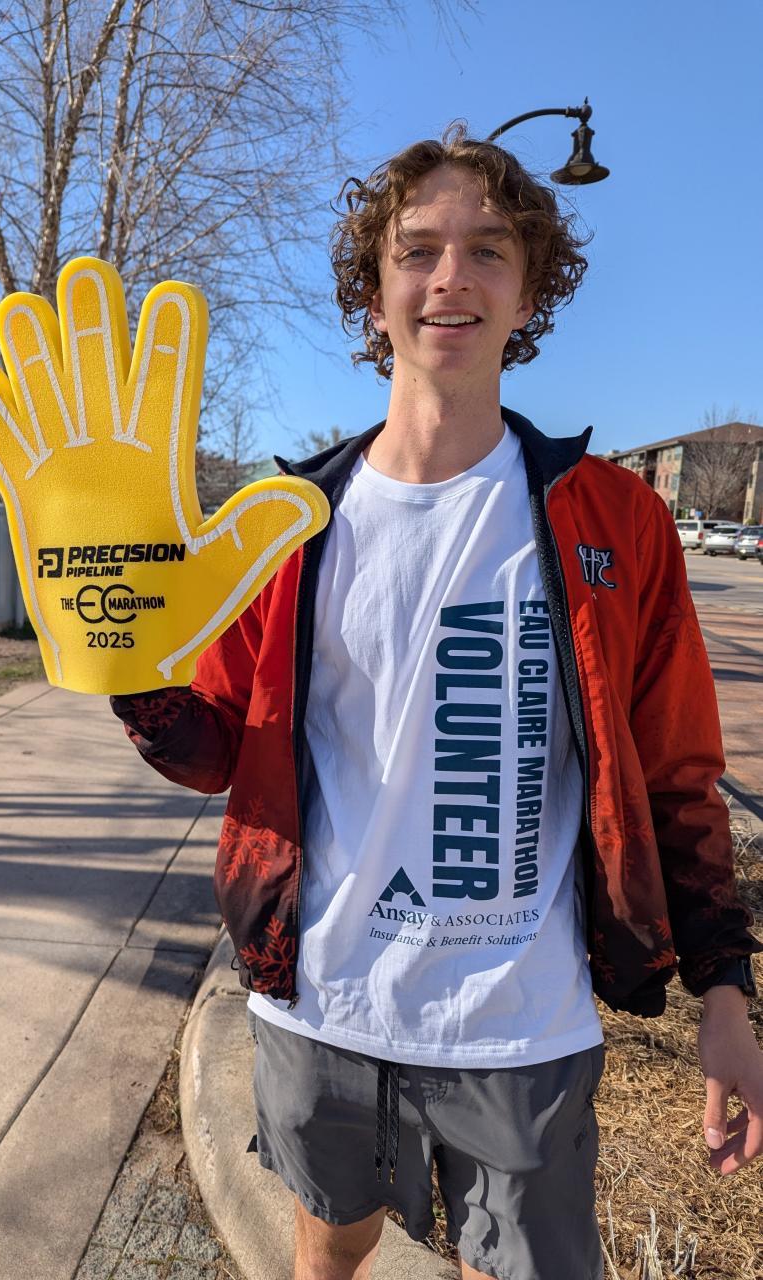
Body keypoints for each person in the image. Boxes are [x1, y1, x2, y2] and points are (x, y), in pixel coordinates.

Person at [110, 123, 763, 1280]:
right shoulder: (287, 523)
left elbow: (674, 769)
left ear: (529, 292)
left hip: (521, 1021)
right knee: (330, 1242)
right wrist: (124, 662)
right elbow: (214, 750)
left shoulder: (614, 518)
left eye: (487, 249)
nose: (450, 275)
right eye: (416, 250)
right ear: (374, 296)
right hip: (323, 1002)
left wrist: (723, 985)